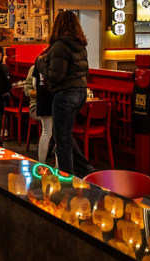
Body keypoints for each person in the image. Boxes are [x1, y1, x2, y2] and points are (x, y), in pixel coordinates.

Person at [45, 10, 94, 178]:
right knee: (64, 134)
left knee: (62, 140)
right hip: (80, 92)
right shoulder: (81, 45)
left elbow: (55, 76)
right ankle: (86, 171)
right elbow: (85, 71)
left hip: (65, 94)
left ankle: (67, 178)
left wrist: (41, 66)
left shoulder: (60, 45)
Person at [23, 50, 54, 163]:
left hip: (42, 103)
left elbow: (36, 85)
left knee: (47, 132)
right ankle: (58, 166)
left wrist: (40, 93)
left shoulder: (37, 66)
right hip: (38, 104)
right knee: (55, 133)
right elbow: (28, 89)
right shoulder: (56, 67)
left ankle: (42, 163)